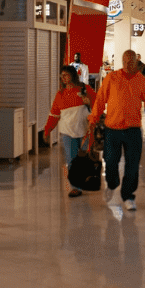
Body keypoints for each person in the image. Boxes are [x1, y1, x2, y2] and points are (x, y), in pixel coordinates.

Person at [90, 50, 145, 211]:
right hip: (113, 129)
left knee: (132, 166)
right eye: (124, 61)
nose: (127, 64)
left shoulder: (141, 80)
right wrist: (93, 117)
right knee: (111, 162)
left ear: (135, 62)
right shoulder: (112, 78)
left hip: (133, 130)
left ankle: (128, 195)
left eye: (130, 61)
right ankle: (112, 184)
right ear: (122, 61)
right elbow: (101, 98)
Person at [43, 66, 96, 197]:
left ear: (73, 75)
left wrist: (89, 102)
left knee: (84, 158)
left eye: (66, 75)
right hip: (67, 132)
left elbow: (97, 104)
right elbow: (54, 115)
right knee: (71, 160)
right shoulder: (60, 95)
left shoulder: (84, 89)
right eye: (62, 76)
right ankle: (76, 187)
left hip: (85, 130)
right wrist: (47, 131)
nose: (64, 78)